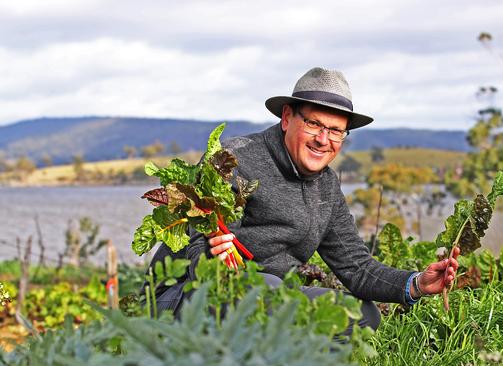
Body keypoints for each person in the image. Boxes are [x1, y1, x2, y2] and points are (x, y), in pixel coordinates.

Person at [148, 67, 459, 334]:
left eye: (336, 131)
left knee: (363, 316)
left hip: (269, 298)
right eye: (314, 124)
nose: (323, 140)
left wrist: (416, 283)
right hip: (187, 296)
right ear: (287, 117)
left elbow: (356, 266)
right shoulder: (231, 159)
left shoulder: (327, 187)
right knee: (263, 293)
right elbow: (198, 249)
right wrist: (214, 257)